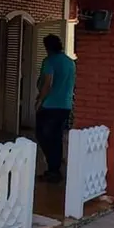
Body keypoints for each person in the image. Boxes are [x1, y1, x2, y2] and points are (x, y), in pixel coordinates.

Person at [35, 34, 75, 183]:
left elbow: (47, 84)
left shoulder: (49, 61)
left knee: (43, 136)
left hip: (50, 105)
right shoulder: (70, 62)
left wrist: (39, 101)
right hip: (65, 105)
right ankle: (55, 168)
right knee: (56, 137)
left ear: (48, 47)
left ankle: (53, 168)